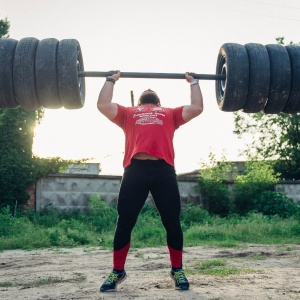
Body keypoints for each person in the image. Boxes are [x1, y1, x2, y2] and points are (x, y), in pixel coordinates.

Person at [97, 70, 203, 292]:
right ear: (138, 103)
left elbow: (197, 108)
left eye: (150, 92)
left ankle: (177, 269)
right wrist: (110, 80)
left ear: (158, 102)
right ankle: (117, 271)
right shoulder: (128, 113)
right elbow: (103, 104)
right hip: (135, 170)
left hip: (163, 170)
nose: (148, 90)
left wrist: (194, 82)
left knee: (172, 222)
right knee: (124, 222)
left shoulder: (169, 113)